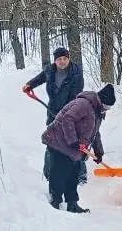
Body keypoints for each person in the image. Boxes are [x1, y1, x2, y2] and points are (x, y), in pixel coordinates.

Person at [40, 84, 115, 213]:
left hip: (72, 148)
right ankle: (55, 202)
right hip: (58, 142)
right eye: (107, 106)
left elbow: (95, 133)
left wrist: (98, 152)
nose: (106, 110)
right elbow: (67, 119)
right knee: (59, 173)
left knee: (73, 174)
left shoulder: (97, 111)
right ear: (101, 100)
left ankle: (72, 204)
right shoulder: (83, 104)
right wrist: (73, 140)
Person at [24, 47, 85, 184]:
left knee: (74, 142)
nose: (62, 61)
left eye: (65, 58)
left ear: (68, 59)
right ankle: (48, 173)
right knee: (51, 140)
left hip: (71, 113)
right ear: (55, 61)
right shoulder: (49, 70)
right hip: (52, 111)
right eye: (59, 59)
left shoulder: (76, 73)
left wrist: (65, 115)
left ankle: (80, 175)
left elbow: (75, 95)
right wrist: (29, 85)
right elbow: (40, 78)